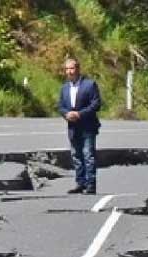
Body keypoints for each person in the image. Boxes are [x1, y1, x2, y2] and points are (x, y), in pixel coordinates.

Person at [57, 58, 101, 195]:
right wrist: (66, 114)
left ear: (78, 69)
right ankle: (80, 183)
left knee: (88, 155)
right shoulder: (64, 88)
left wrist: (79, 114)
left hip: (87, 126)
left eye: (72, 68)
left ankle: (91, 185)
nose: (69, 72)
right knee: (76, 156)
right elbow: (60, 106)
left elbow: (96, 104)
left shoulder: (90, 85)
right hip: (73, 127)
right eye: (67, 69)